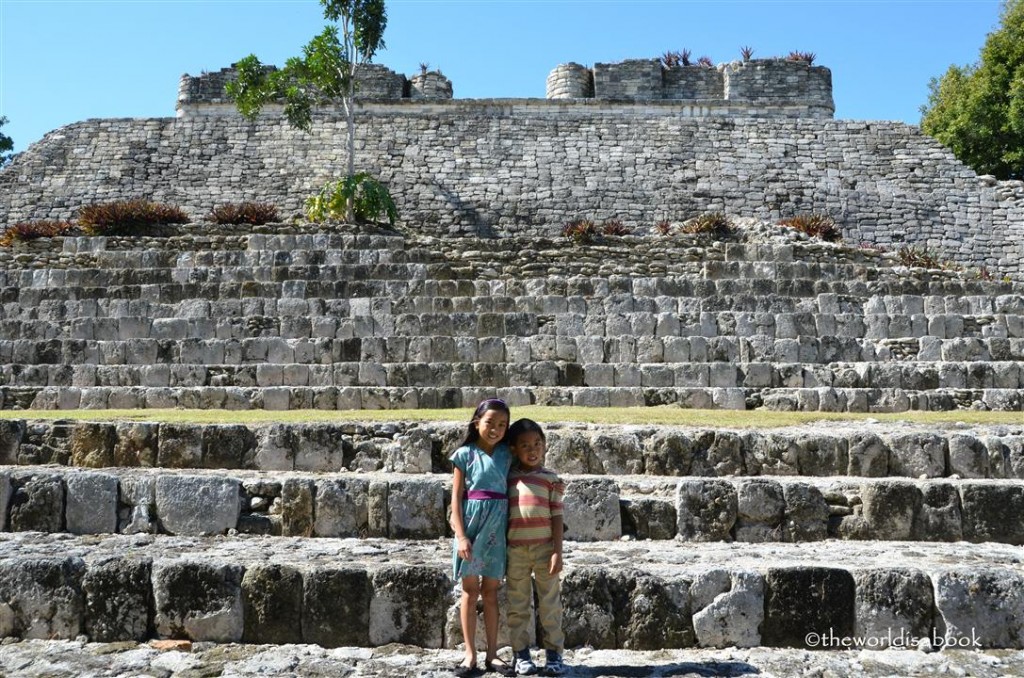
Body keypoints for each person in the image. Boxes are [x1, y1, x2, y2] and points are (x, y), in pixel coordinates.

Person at [450, 398, 515, 677]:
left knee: (490, 592)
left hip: (496, 531)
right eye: (490, 423)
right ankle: (469, 654)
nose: (495, 429)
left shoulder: (507, 454)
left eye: (502, 425)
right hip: (472, 529)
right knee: (469, 591)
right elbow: (455, 499)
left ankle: (492, 654)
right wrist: (461, 535)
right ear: (477, 423)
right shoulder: (464, 454)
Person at [505, 418, 566, 676]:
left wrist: (557, 552)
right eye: (525, 445)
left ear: (545, 445)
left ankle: (554, 655)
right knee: (517, 605)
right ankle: (521, 655)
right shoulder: (508, 479)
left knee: (550, 605)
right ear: (514, 450)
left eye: (537, 444)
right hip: (515, 551)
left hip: (544, 550)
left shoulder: (551, 480)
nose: (532, 450)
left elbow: (557, 517)